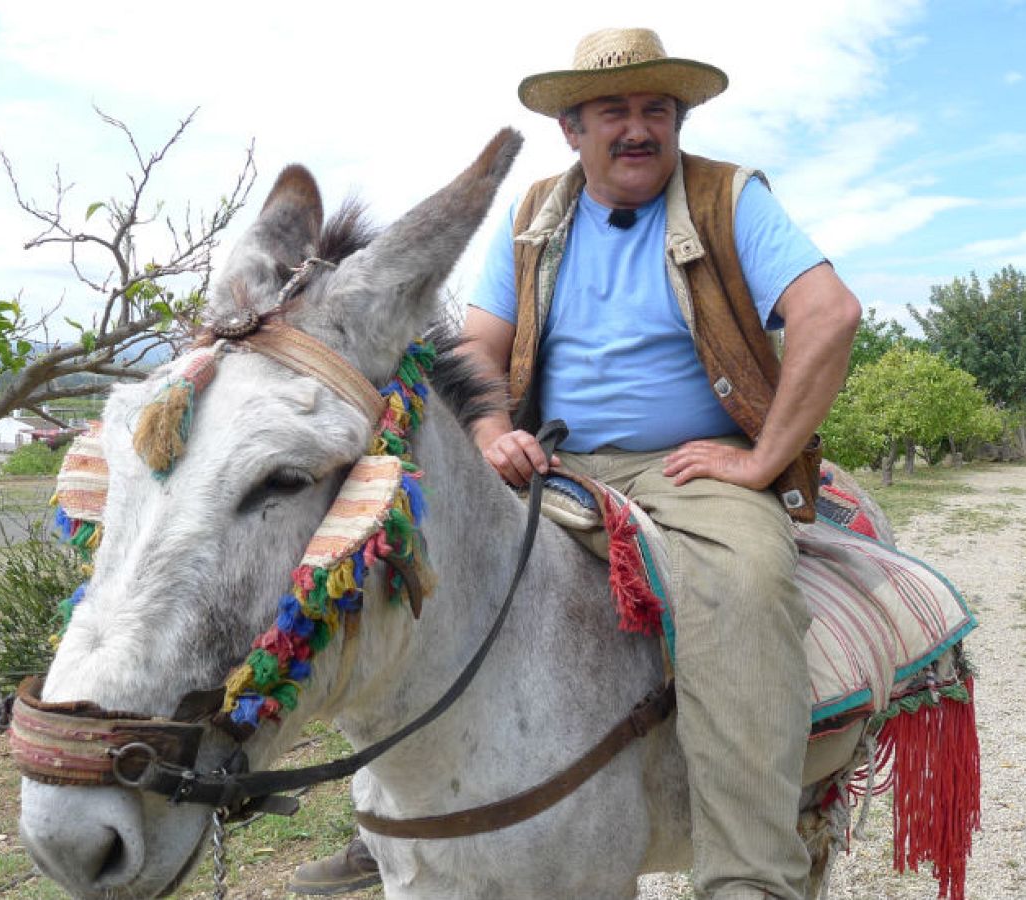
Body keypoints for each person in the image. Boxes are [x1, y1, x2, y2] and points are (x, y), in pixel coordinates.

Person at [289, 27, 861, 899]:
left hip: (691, 466)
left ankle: (750, 871)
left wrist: (766, 459)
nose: (638, 129)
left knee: (744, 588)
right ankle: (386, 820)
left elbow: (830, 314)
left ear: (678, 120)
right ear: (572, 128)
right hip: (556, 455)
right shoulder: (533, 217)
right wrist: (488, 433)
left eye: (656, 110)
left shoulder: (728, 198)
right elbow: (480, 347)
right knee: (407, 547)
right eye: (614, 112)